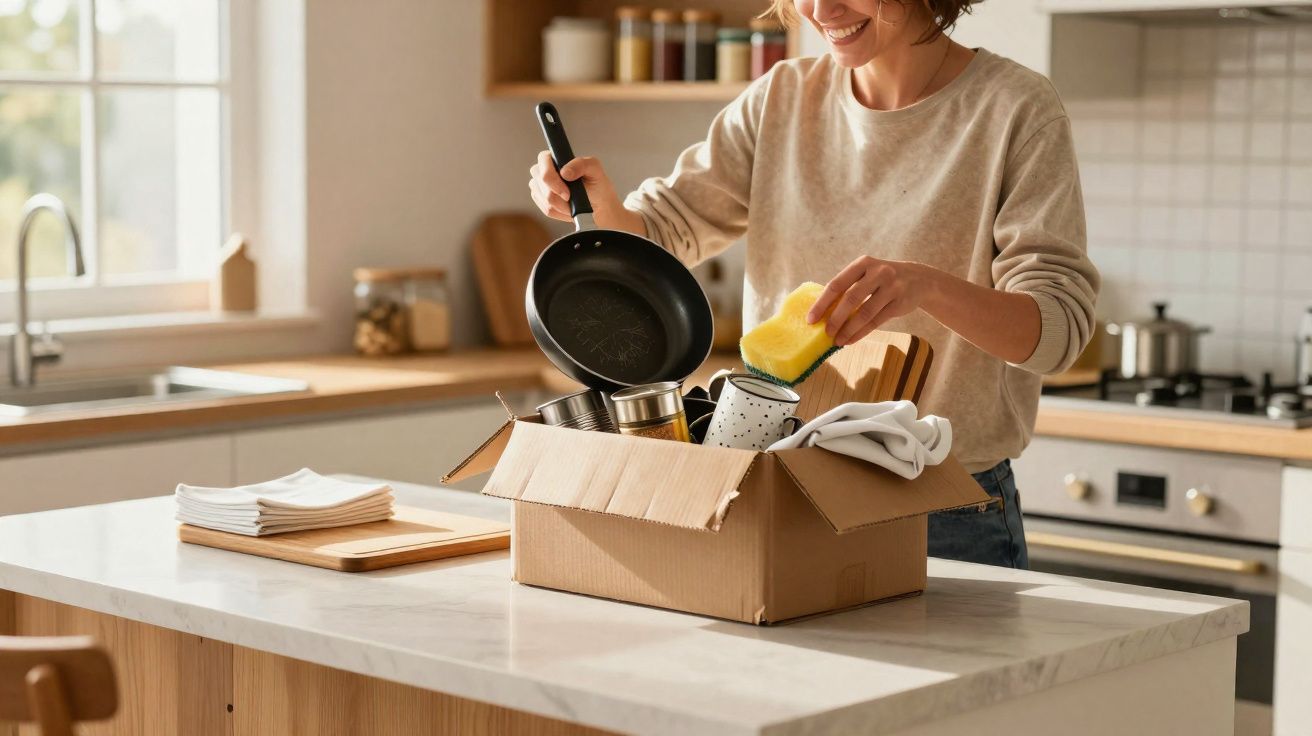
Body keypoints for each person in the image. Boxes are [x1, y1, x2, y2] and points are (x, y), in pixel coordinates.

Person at [526, 0, 1099, 569]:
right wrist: (603, 207)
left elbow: (1057, 334)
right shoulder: (782, 97)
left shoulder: (1015, 109)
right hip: (781, 490)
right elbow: (665, 230)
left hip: (940, 509)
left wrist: (926, 288)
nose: (821, 9)